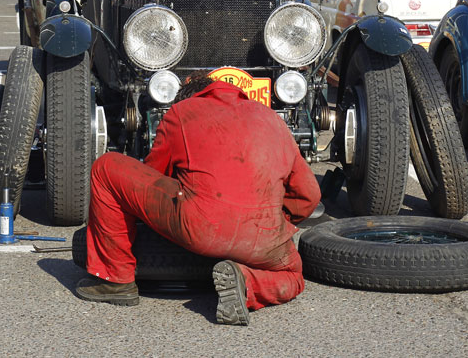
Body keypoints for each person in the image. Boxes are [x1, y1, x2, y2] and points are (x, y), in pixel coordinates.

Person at [76, 75, 321, 326]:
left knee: (106, 167)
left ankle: (116, 281)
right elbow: (309, 195)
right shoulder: (273, 119)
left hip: (201, 228)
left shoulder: (182, 112)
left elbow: (154, 176)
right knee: (293, 276)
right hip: (266, 238)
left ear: (191, 96)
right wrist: (275, 220)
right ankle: (247, 282)